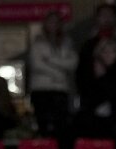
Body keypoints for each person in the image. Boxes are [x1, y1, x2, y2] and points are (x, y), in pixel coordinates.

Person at [27, 11, 78, 141]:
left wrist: (50, 60)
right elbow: (37, 64)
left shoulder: (68, 43)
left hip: (61, 91)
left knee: (62, 128)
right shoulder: (37, 44)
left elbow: (72, 63)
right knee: (43, 127)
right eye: (50, 21)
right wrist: (58, 73)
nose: (53, 25)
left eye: (57, 21)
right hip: (41, 91)